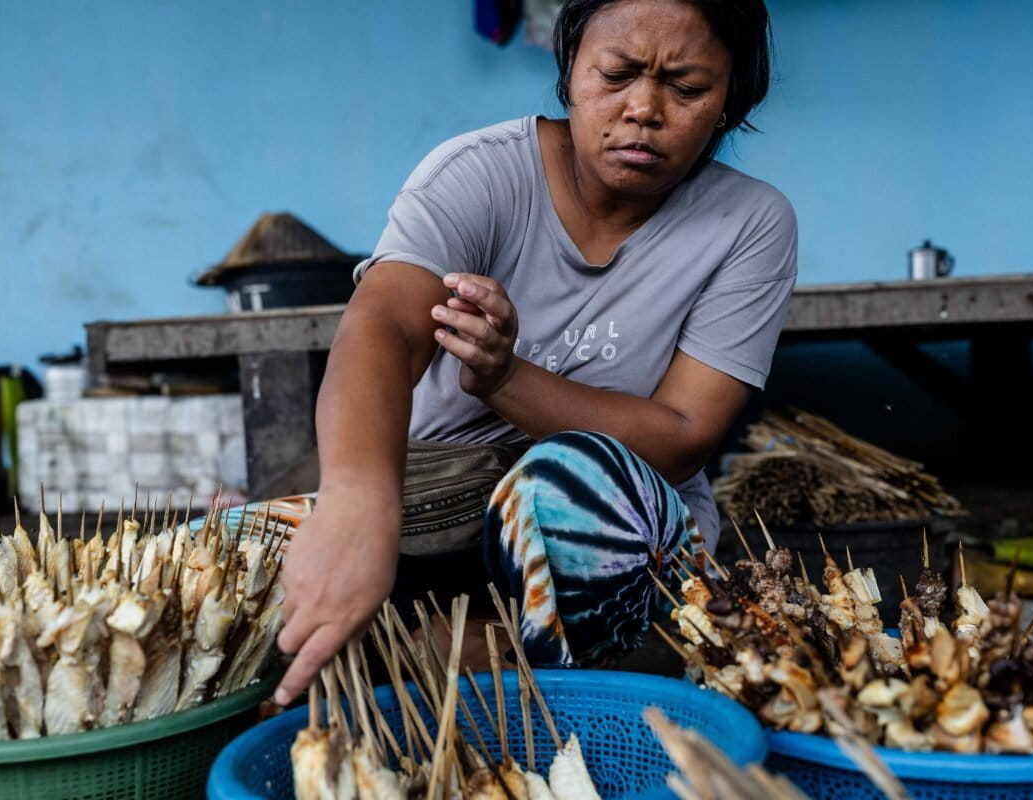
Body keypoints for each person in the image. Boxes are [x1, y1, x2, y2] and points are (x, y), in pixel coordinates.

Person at [273, 0, 796, 705]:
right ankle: (444, 644)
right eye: (616, 74)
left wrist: (504, 377)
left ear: (731, 101)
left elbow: (680, 437)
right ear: (570, 71)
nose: (643, 108)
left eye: (687, 88)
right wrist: (358, 504)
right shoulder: (478, 174)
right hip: (442, 501)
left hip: (605, 533)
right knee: (249, 547)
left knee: (563, 483)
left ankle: (506, 673)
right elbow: (382, 326)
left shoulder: (750, 223)